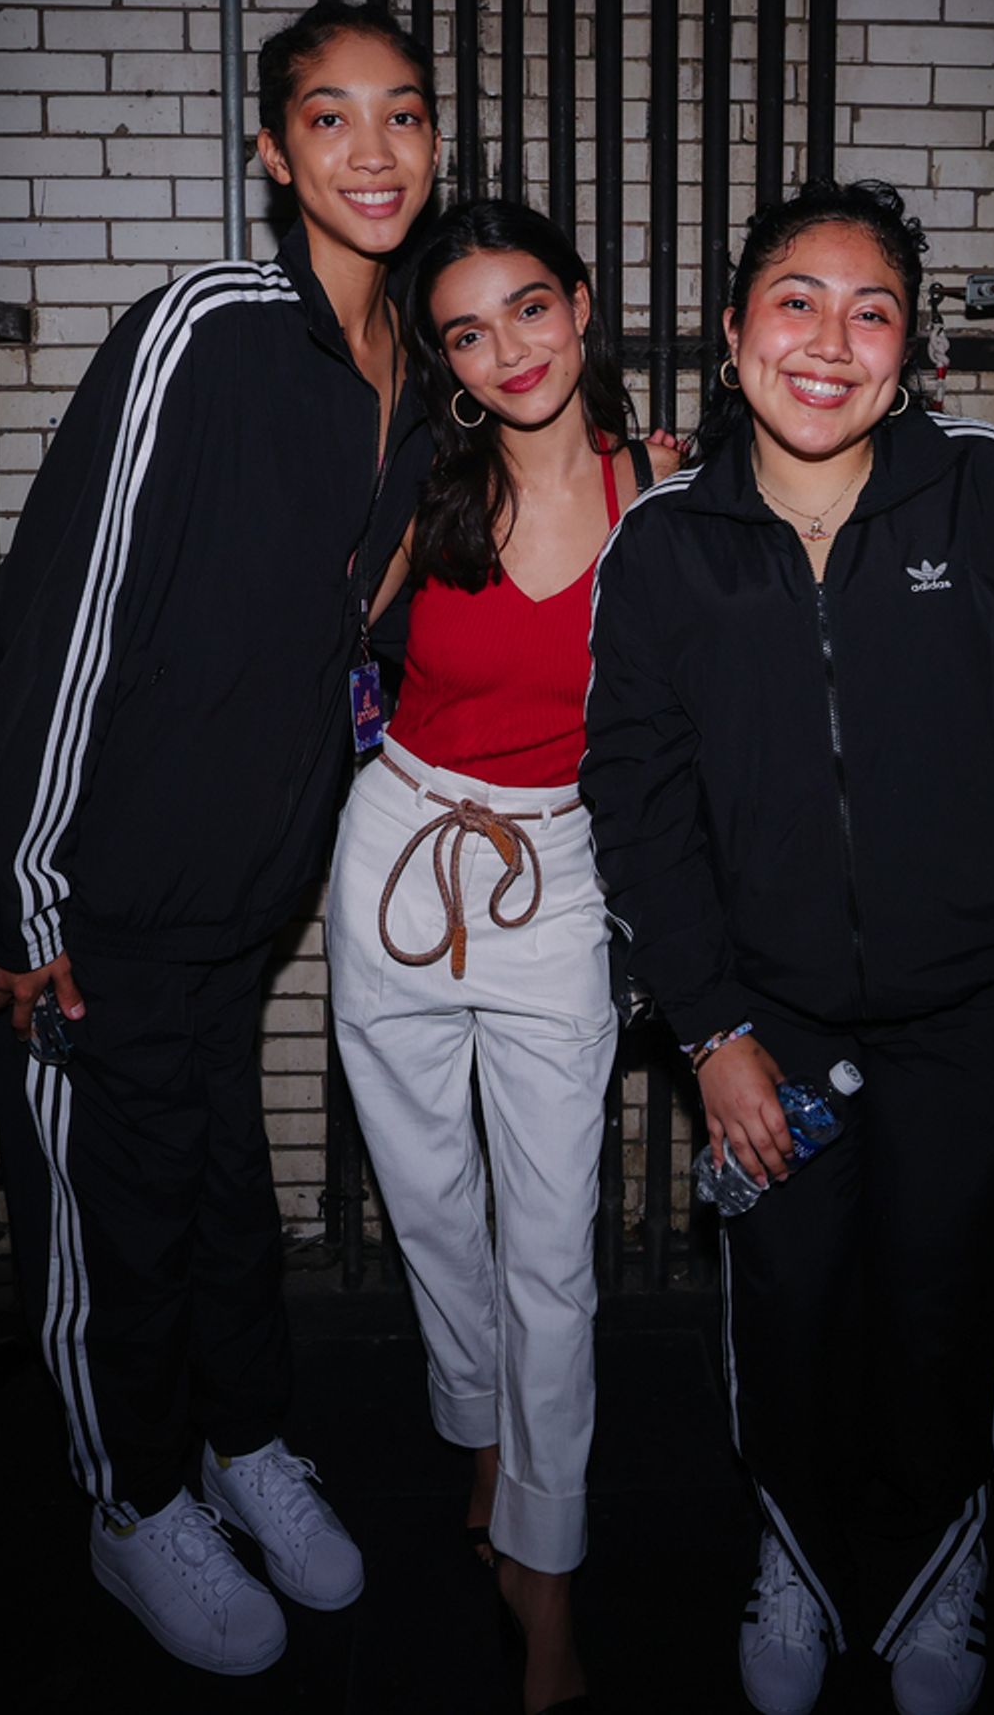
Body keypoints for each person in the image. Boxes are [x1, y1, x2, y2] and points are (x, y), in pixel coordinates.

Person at [581, 179, 994, 1715]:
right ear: (732, 332)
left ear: (912, 351)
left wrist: (982, 919)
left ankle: (934, 1569)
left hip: (975, 1019)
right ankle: (799, 1557)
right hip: (765, 1028)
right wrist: (712, 1027)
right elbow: (635, 812)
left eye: (872, 309)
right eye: (797, 301)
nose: (830, 342)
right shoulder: (663, 549)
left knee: (944, 1302)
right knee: (787, 1304)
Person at [0, 0, 442, 1676]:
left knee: (224, 1189)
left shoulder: (415, 381)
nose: (372, 152)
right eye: (330, 118)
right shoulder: (207, 329)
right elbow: (60, 613)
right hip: (94, 890)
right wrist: (9, 886)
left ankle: (243, 1439)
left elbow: (359, 629)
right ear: (275, 150)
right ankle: (130, 1496)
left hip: (243, 899)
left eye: (403, 115)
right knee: (107, 1218)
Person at [326, 198, 677, 1715]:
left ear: (581, 306)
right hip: (395, 856)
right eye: (467, 329)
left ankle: (545, 1573)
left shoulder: (665, 494)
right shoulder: (427, 488)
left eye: (529, 308)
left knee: (551, 1248)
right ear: (449, 359)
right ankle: (477, 1431)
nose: (507, 348)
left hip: (559, 877)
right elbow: (306, 651)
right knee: (431, 1208)